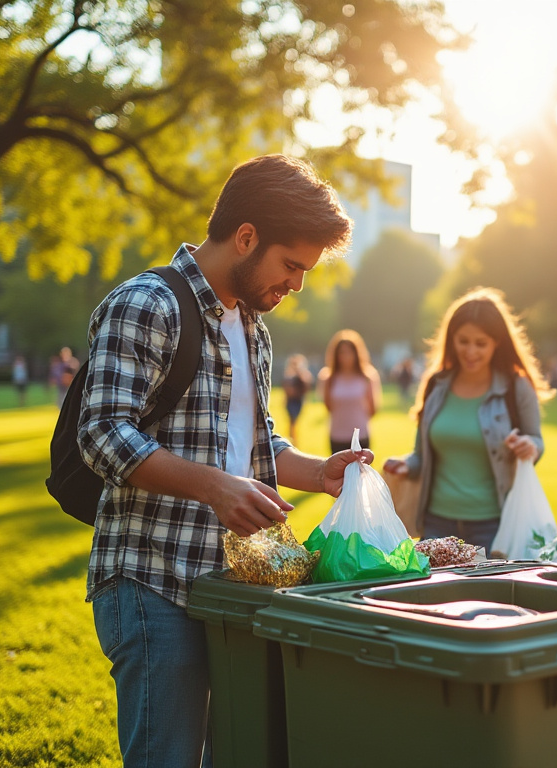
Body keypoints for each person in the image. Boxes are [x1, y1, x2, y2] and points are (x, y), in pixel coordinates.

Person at [76, 154, 365, 768]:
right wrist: (212, 488)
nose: (297, 284)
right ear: (246, 236)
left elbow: (252, 444)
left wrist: (319, 472)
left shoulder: (253, 328)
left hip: (233, 588)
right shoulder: (147, 302)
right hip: (152, 579)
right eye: (292, 265)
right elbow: (101, 433)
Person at [382, 288, 552, 549]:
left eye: (481, 343)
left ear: (497, 343)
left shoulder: (516, 388)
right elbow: (421, 455)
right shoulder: (436, 385)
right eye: (463, 341)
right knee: (436, 591)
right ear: (451, 339)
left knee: (485, 591)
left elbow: (537, 441)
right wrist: (407, 465)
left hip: (492, 526)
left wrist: (530, 446)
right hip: (436, 523)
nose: (470, 351)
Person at [318, 330, 381, 454]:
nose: (345, 356)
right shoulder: (328, 378)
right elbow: (328, 405)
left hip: (360, 435)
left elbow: (373, 408)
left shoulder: (367, 377)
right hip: (337, 435)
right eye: (342, 352)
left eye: (349, 352)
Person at [281, 354, 313, 442]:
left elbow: (306, 386)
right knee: (292, 422)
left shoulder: (302, 375)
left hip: (297, 401)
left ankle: (293, 439)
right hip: (290, 401)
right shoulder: (289, 376)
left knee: (293, 422)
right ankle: (292, 439)